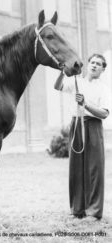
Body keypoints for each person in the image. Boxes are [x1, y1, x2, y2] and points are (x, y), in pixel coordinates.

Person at [54, 53, 110, 221]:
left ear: (103, 69)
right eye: (92, 62)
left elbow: (104, 113)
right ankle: (77, 210)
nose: (94, 65)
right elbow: (57, 86)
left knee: (94, 169)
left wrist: (85, 104)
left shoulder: (104, 88)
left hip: (93, 126)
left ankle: (93, 212)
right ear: (88, 64)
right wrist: (63, 72)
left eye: (98, 64)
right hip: (76, 125)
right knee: (76, 168)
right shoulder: (77, 82)